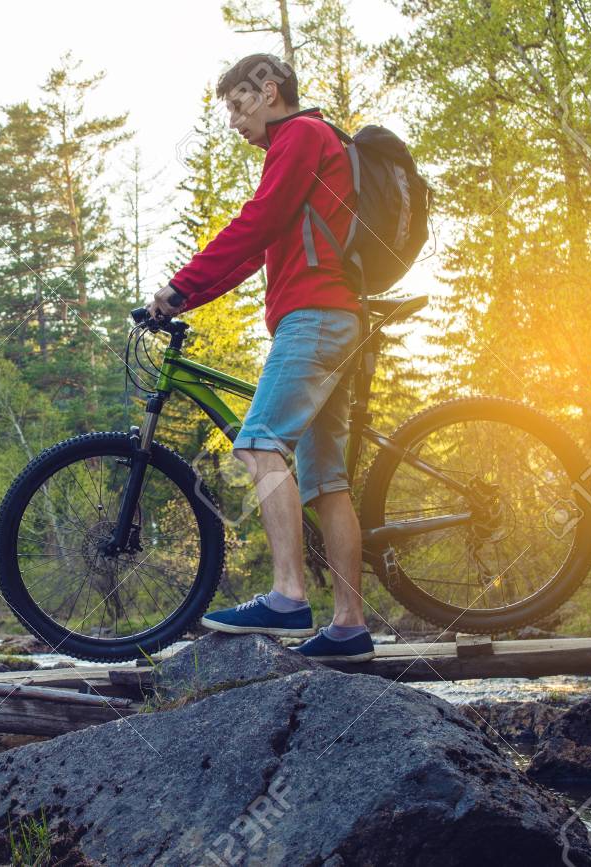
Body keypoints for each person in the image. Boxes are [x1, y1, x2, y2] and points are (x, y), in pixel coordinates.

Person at [145, 52, 374, 662]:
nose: (232, 121)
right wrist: (190, 292)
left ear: (269, 91)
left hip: (316, 317)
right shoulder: (309, 144)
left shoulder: (299, 135)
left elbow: (255, 223)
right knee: (325, 481)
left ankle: (288, 594)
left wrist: (176, 287)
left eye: (238, 105)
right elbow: (257, 248)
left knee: (257, 442)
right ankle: (350, 628)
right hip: (334, 316)